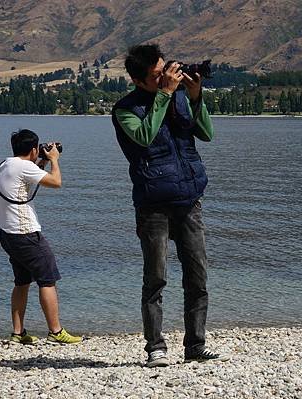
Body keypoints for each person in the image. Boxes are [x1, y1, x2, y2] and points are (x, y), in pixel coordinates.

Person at [111, 44, 226, 367]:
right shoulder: (124, 110)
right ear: (137, 80)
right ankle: (155, 347)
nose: (164, 76)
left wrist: (195, 96)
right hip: (153, 206)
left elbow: (207, 134)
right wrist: (164, 95)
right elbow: (145, 137)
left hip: (189, 200)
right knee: (156, 279)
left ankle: (195, 345)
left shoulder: (178, 96)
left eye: (164, 69)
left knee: (197, 277)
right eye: (156, 75)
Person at [0, 129, 81, 345]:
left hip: (8, 234)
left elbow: (25, 178)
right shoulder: (25, 167)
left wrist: (40, 161)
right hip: (26, 234)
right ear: (34, 149)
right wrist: (53, 160)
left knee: (22, 282)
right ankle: (55, 330)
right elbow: (56, 182)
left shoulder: (6, 164)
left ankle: (18, 332)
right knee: (48, 279)